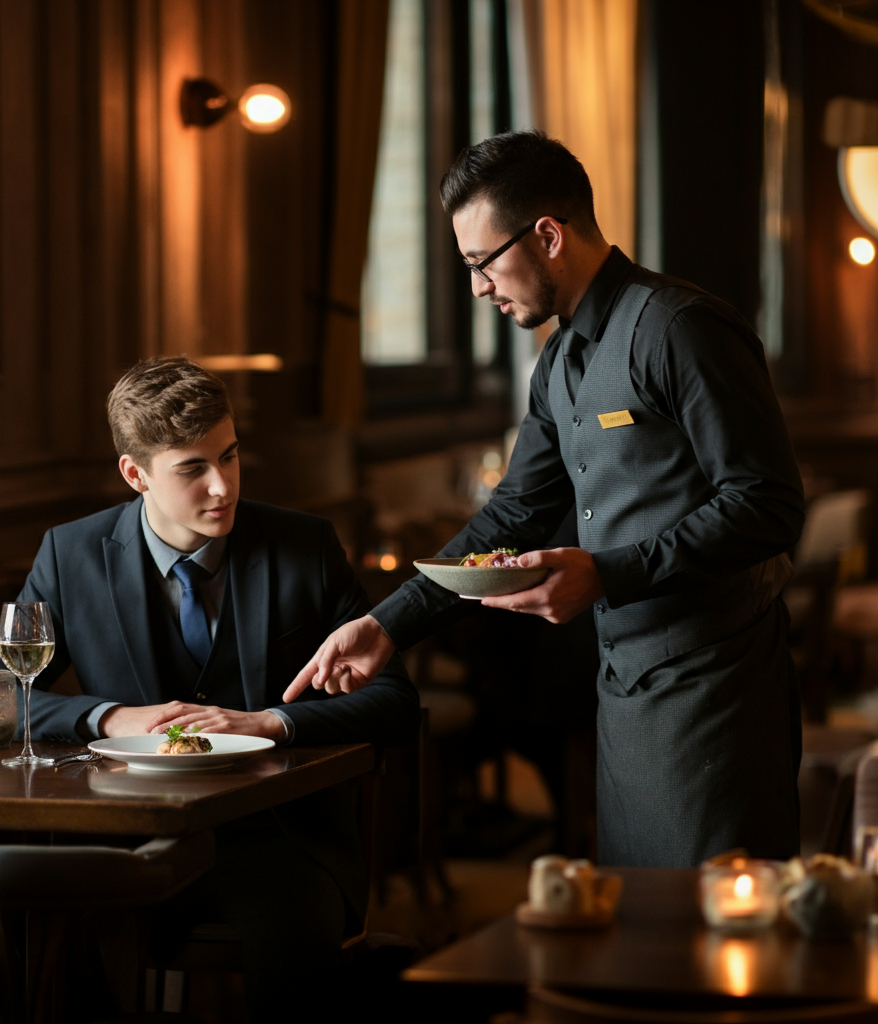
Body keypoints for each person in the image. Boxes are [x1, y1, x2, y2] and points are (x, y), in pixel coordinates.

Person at [286, 130, 805, 869]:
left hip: (719, 685)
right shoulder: (559, 362)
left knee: (718, 936)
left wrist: (609, 573)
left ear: (549, 236)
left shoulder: (681, 327)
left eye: (481, 263)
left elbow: (769, 504)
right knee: (639, 930)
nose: (476, 288)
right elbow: (511, 514)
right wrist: (386, 625)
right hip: (621, 688)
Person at [0, 355, 420, 1022]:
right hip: (124, 837)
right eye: (192, 469)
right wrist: (110, 717)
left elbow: (396, 702)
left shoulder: (305, 547)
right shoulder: (72, 554)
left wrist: (270, 722)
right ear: (135, 474)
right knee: (11, 910)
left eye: (229, 457)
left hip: (276, 840)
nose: (221, 486)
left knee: (295, 935)